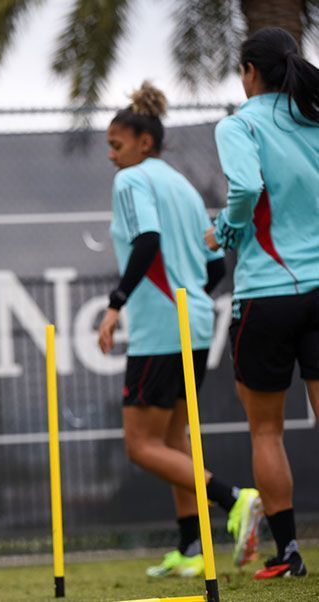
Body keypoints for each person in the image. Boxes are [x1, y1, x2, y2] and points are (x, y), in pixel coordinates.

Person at [98, 82, 262, 578]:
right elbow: (215, 269)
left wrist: (115, 305)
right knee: (173, 442)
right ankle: (192, 548)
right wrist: (184, 294)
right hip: (193, 324)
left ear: (143, 143)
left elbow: (146, 240)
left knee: (140, 445)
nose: (111, 155)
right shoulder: (181, 186)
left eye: (116, 145)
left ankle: (233, 499)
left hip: (159, 329)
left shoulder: (132, 182)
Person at [206, 26, 318, 580]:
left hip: (268, 294)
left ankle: (290, 553)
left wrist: (226, 232)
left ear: (249, 71)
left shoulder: (239, 124)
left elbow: (246, 191)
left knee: (266, 431)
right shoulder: (315, 121)